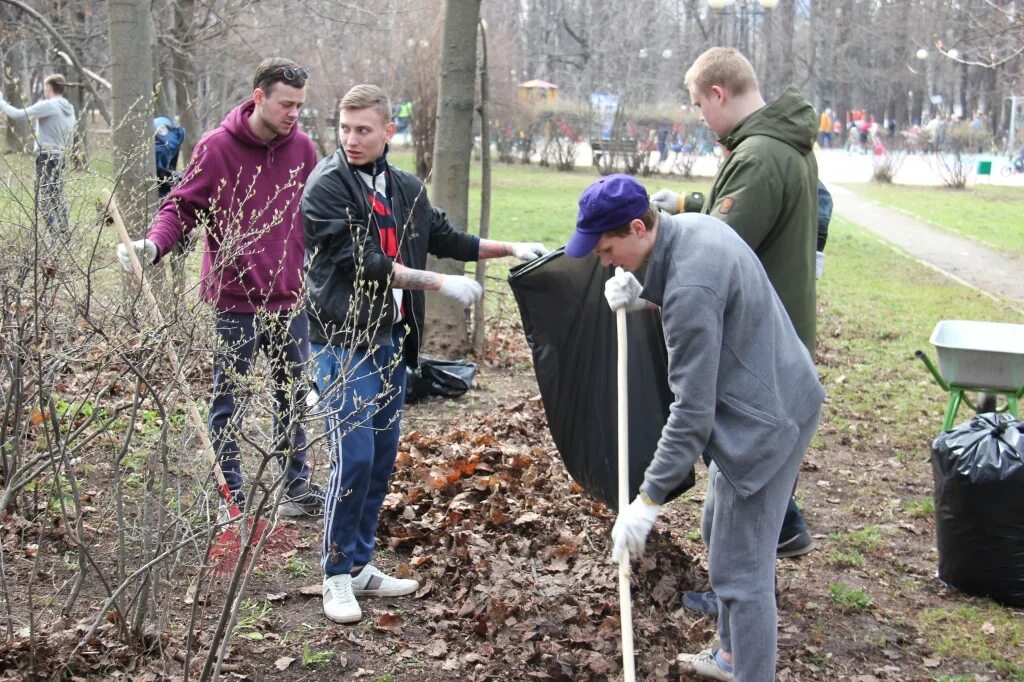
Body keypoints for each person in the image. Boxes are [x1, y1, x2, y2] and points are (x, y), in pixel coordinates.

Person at [301, 84, 549, 625]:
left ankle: (361, 566)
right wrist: (440, 285)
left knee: (383, 456)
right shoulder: (325, 188)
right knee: (354, 458)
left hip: (390, 341)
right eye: (344, 128)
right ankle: (335, 574)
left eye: (363, 129)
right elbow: (362, 264)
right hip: (341, 342)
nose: (351, 139)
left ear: (390, 131)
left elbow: (448, 237)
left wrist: (509, 248)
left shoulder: (404, 187)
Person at [565, 174, 823, 681]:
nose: (604, 261)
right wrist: (641, 298)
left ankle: (750, 671)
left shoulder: (689, 287)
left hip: (767, 422)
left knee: (740, 574)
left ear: (639, 227)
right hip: (778, 386)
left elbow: (691, 415)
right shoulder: (692, 229)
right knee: (715, 525)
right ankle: (729, 656)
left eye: (608, 249)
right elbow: (707, 300)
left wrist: (647, 502)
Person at [116, 58, 324, 518]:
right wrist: (153, 245)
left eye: (300, 106)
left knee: (291, 395)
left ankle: (296, 488)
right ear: (258, 98)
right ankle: (229, 494)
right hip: (235, 298)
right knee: (228, 397)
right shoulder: (217, 147)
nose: (294, 113)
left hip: (290, 297)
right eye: (286, 104)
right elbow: (180, 206)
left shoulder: (304, 149)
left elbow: (319, 213)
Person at [650, 47, 819, 590]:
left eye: (700, 105)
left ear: (719, 94)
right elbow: (734, 214)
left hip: (757, 341)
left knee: (744, 494)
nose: (700, 116)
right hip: (776, 330)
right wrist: (690, 203)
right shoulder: (773, 146)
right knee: (740, 493)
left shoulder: (760, 156)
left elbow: (719, 249)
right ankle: (743, 597)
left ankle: (742, 611)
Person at [0, 74, 76, 237]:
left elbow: (18, 114)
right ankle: (64, 234)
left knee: (44, 198)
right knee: (58, 196)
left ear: (49, 87)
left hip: (46, 157)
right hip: (61, 156)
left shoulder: (49, 105)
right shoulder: (69, 108)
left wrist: (1, 101)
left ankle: (53, 237)